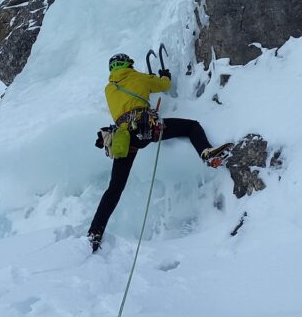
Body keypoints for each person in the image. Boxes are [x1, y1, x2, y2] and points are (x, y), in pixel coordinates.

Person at [87, 52, 232, 252]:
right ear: (128, 65)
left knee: (114, 188)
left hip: (124, 140)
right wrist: (164, 76)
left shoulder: (109, 89)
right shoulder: (138, 77)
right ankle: (206, 153)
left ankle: (95, 232)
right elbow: (164, 86)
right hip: (148, 130)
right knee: (191, 127)